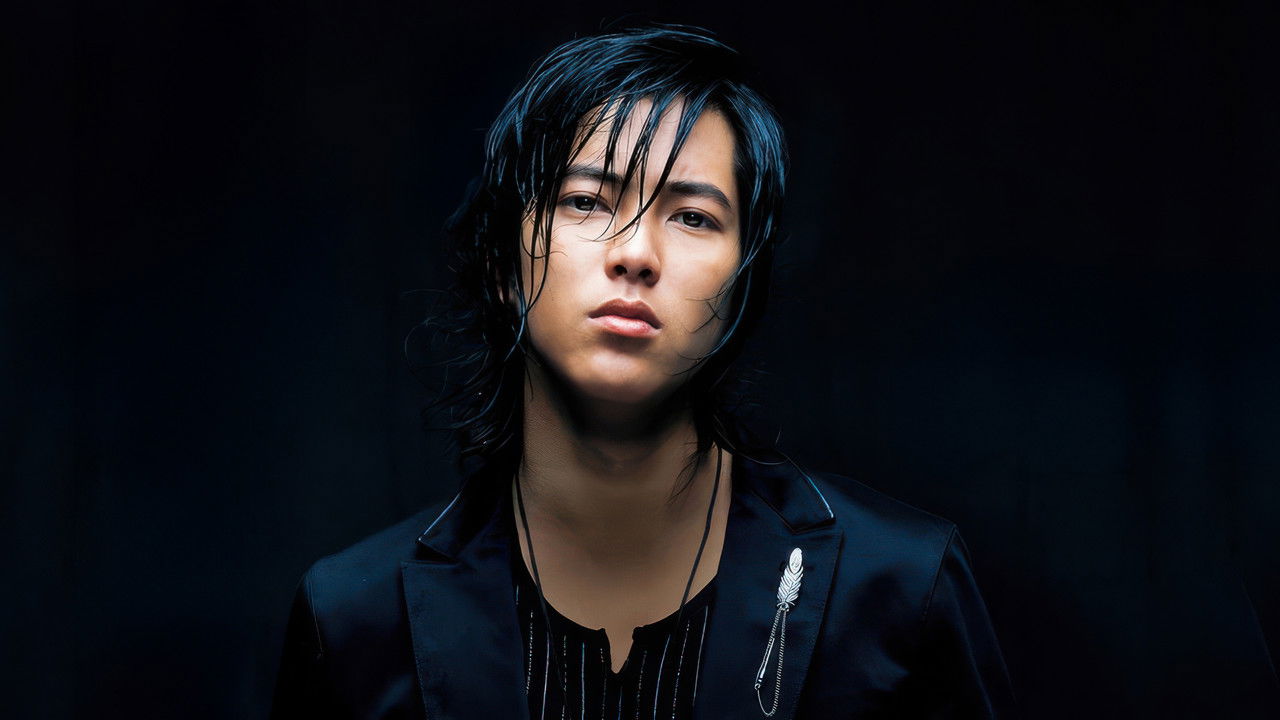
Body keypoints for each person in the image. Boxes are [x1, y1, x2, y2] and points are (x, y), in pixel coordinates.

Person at [270, 24, 1016, 719]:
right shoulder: (355, 619)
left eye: (692, 216)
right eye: (586, 200)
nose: (634, 253)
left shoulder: (901, 589)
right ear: (501, 263)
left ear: (743, 285)